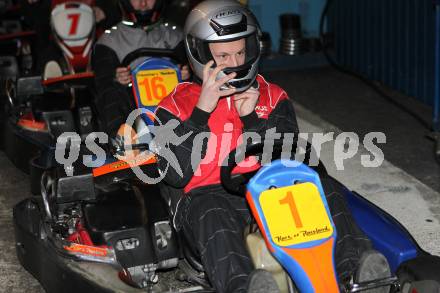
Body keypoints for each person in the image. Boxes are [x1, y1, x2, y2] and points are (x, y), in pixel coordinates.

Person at [154, 1, 391, 292]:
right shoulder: (174, 105)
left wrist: (251, 119)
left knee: (325, 186)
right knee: (210, 210)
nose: (234, 63)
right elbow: (174, 175)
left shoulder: (271, 96)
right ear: (199, 54)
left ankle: (355, 276)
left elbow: (290, 158)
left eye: (240, 52)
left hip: (271, 190)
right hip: (211, 197)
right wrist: (202, 110)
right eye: (223, 55)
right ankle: (245, 287)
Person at [92, 0, 189, 138]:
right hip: (132, 109)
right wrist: (116, 78)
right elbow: (102, 82)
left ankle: (196, 134)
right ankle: (123, 141)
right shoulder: (108, 40)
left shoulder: (176, 35)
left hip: (173, 105)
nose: (143, 4)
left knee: (196, 85)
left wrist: (187, 74)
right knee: (110, 91)